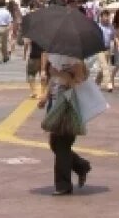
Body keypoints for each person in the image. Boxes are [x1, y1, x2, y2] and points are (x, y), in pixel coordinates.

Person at [38, 53, 91, 196]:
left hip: (68, 105)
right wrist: (46, 96)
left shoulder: (76, 60)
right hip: (54, 104)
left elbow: (80, 82)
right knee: (55, 143)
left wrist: (63, 74)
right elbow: (53, 80)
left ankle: (63, 185)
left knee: (62, 144)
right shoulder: (54, 56)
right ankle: (81, 165)